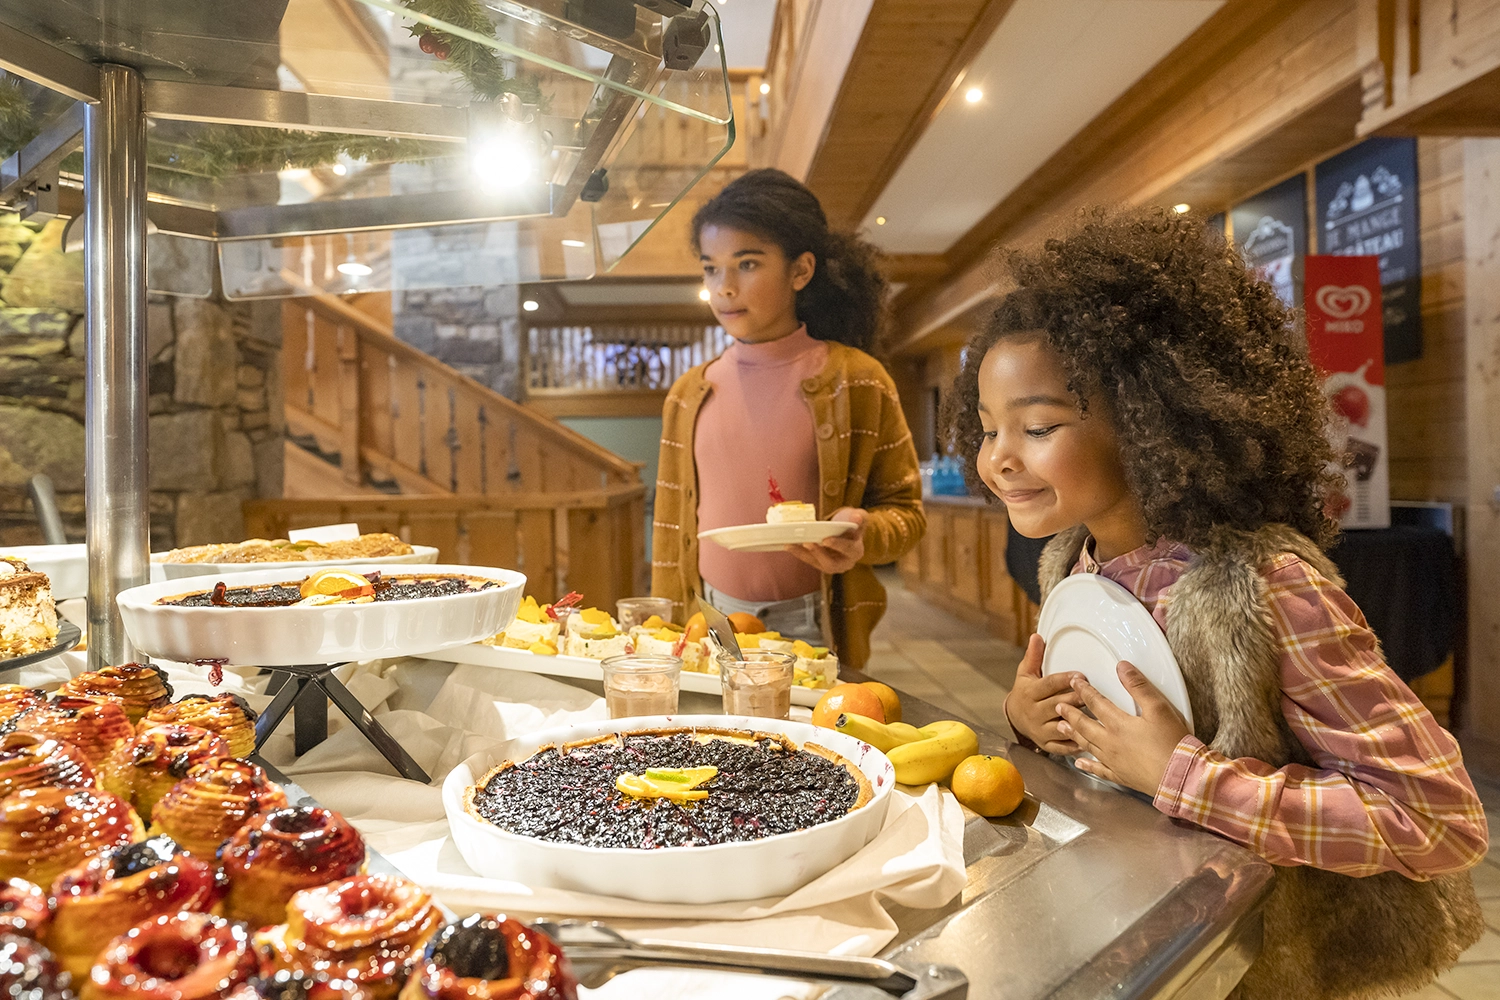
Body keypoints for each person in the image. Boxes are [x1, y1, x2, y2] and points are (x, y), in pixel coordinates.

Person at [946, 208, 1487, 1000]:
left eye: (1036, 426)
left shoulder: (1266, 589)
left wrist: (1187, 776)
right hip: (1139, 934)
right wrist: (1038, 722)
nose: (997, 459)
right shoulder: (1074, 560)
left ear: (1152, 417)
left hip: (1259, 959)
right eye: (989, 428)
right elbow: (1113, 750)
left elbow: (1440, 818)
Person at [651, 169, 924, 669]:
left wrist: (863, 532)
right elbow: (670, 530)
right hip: (709, 616)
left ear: (800, 271)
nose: (724, 287)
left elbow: (906, 512)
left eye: (747, 263)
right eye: (712, 269)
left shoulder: (859, 380)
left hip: (815, 621)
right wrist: (670, 630)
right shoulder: (687, 394)